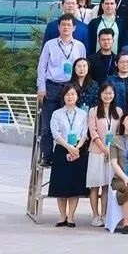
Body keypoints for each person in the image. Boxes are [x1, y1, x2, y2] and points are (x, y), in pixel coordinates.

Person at [37, 14, 88, 166]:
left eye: (69, 25)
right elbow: (42, 67)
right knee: (47, 125)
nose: (66, 27)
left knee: (72, 124)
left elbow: (82, 66)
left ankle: (70, 154)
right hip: (52, 86)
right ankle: (47, 156)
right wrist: (41, 87)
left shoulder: (79, 46)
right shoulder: (50, 45)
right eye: (63, 25)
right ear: (58, 27)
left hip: (71, 87)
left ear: (74, 27)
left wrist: (80, 87)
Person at [48, 84, 89, 227]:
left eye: (73, 94)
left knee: (74, 184)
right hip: (62, 149)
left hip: (78, 150)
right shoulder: (57, 113)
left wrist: (77, 147)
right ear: (63, 96)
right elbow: (55, 133)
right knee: (61, 184)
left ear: (77, 96)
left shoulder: (83, 114)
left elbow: (84, 133)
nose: (70, 97)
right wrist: (68, 147)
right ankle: (62, 216)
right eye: (67, 94)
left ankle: (71, 216)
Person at [86, 83, 121, 227]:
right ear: (100, 94)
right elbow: (92, 131)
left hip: (112, 151)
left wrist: (111, 149)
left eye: (110, 93)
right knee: (95, 185)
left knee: (107, 185)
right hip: (96, 152)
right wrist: (103, 148)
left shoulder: (118, 111)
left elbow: (119, 131)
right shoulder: (94, 110)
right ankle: (95, 215)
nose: (108, 95)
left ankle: (105, 214)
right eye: (105, 93)